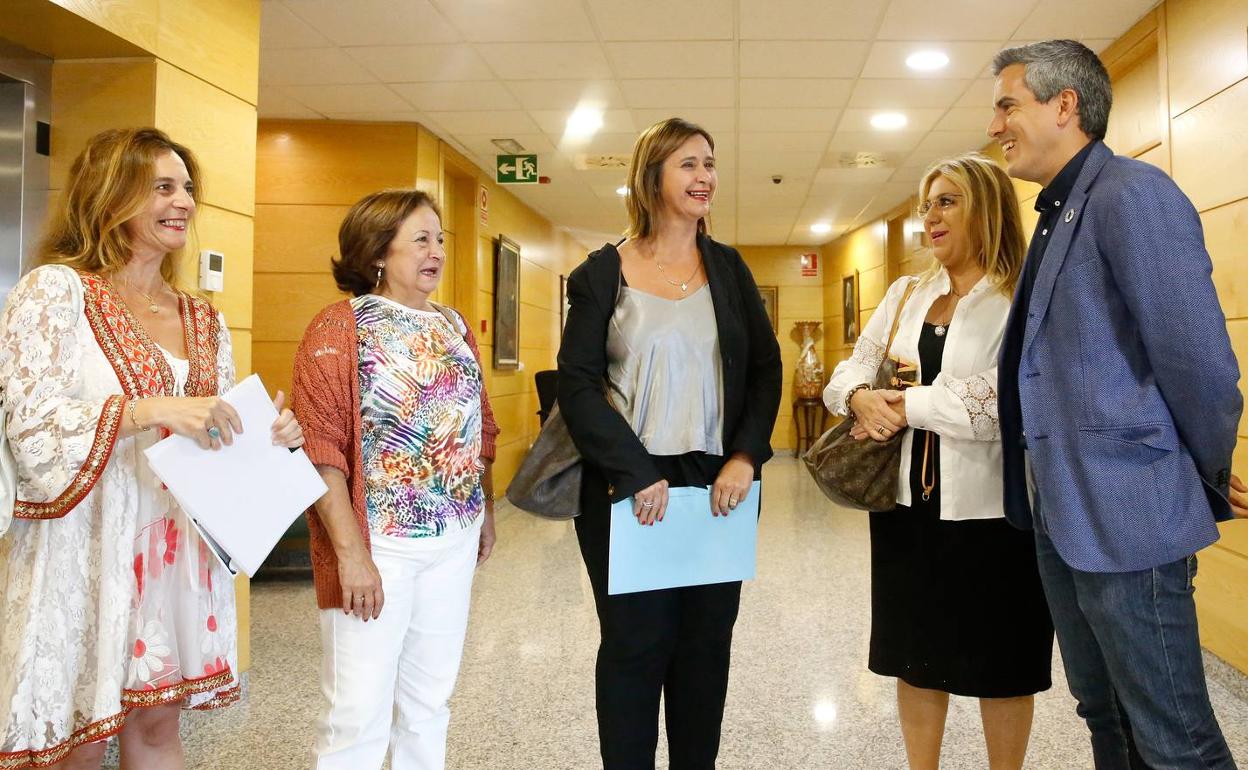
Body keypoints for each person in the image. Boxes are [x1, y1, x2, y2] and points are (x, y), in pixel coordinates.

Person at [0, 127, 304, 769]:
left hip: (171, 550)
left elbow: (214, 431)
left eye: (188, 188)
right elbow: (30, 430)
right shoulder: (54, 293)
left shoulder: (204, 319)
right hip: (83, 548)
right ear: (110, 196)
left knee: (159, 727)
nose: (185, 203)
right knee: (75, 744)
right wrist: (146, 409)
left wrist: (270, 435)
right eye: (163, 187)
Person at [990, 40, 1243, 769]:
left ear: (1064, 105)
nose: (997, 121)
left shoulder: (1133, 194)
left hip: (1130, 513)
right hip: (1063, 513)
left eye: (1009, 104)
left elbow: (1198, 361)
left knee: (1175, 738)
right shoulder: (1061, 210)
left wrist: (1195, 473)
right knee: (1104, 714)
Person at [557, 117, 782, 770]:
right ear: (651, 175)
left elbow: (765, 370)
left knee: (706, 648)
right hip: (626, 484)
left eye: (710, 163)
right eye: (688, 163)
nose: (705, 175)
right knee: (634, 647)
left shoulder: (730, 270)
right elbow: (576, 384)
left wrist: (745, 456)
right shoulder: (601, 274)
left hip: (719, 484)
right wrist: (632, 471)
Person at [823, 153, 1054, 770]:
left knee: (1003, 665)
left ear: (987, 208)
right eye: (927, 204)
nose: (931, 217)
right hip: (906, 510)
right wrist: (859, 395)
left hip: (995, 513)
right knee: (914, 659)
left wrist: (906, 404)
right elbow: (849, 369)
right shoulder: (905, 293)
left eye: (946, 201)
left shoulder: (1022, 296)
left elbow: (1002, 402)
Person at [291, 189, 500, 770]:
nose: (435, 252)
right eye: (420, 240)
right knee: (356, 714)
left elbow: (478, 425)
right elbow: (321, 448)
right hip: (378, 546)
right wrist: (351, 555)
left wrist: (485, 510)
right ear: (378, 251)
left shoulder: (454, 323)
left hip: (453, 542)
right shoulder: (341, 326)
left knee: (429, 703)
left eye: (440, 239)